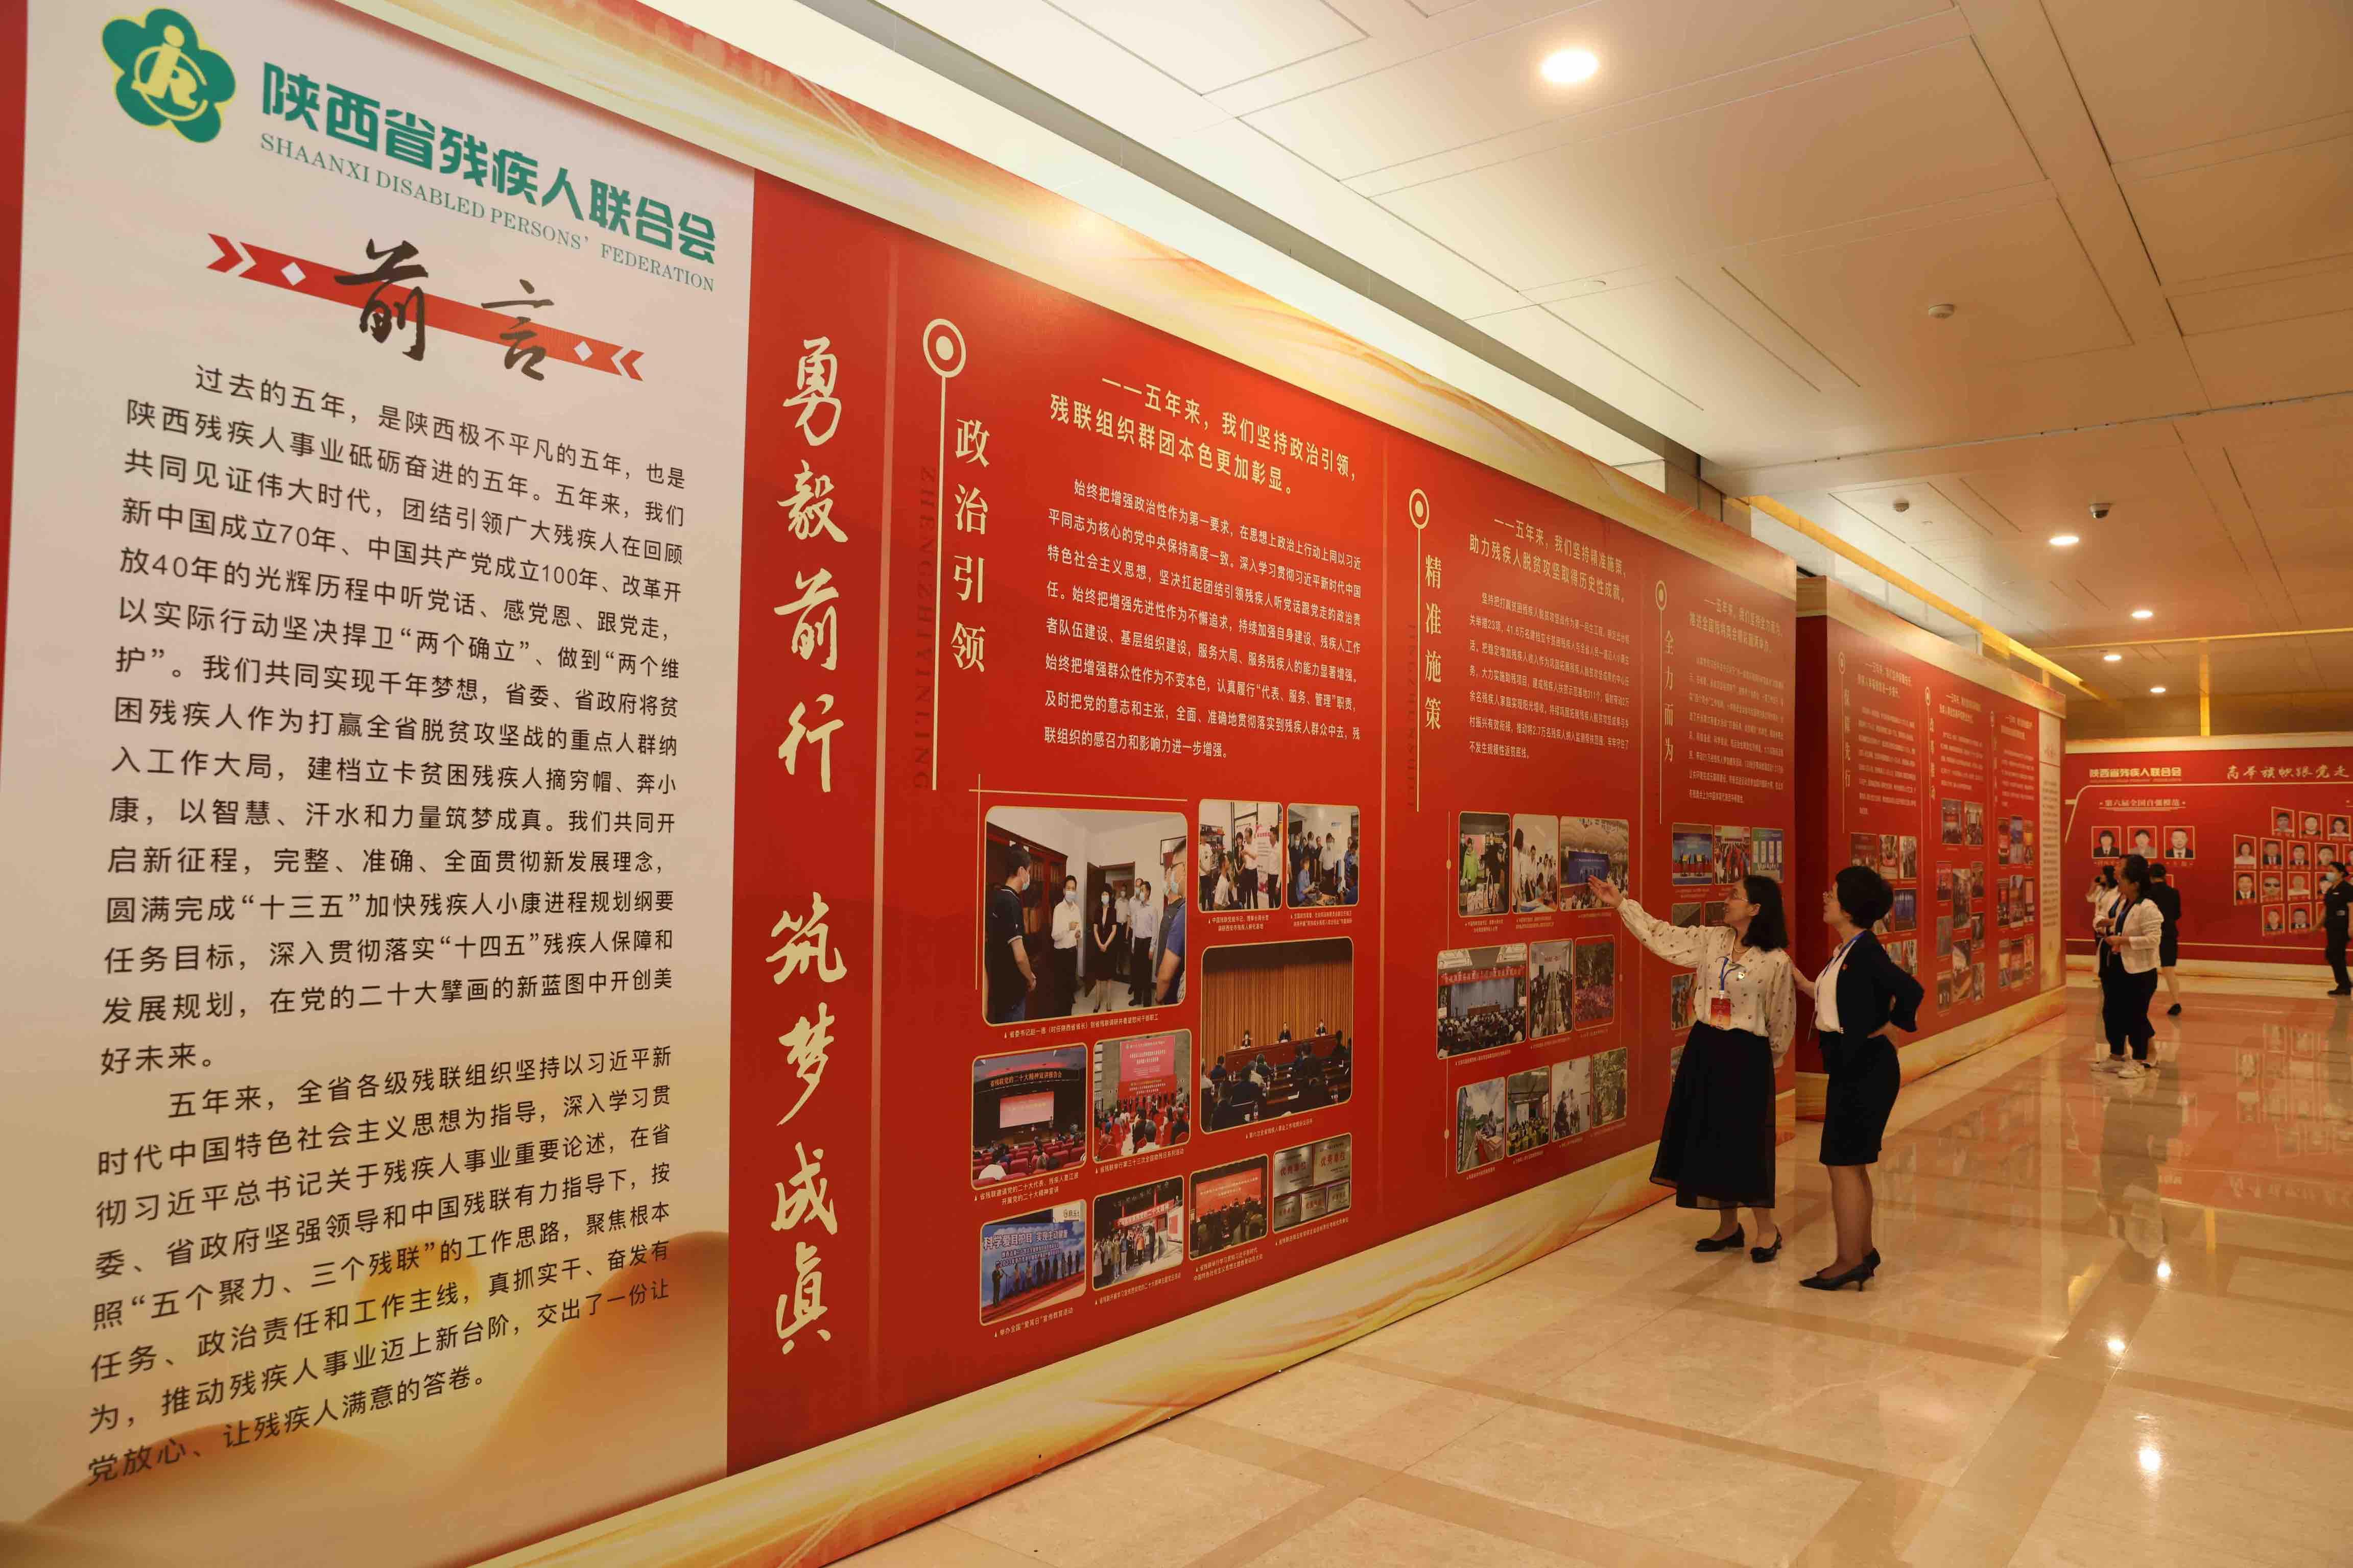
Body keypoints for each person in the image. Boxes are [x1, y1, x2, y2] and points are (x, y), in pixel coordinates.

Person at [1589, 872, 1793, 1261]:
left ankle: (1767, 1229)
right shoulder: (1712, 940)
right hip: (1707, 1046)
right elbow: (1661, 936)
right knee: (1710, 1135)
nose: (1726, 900)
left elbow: (1782, 1019)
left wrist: (1770, 1063)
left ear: (1755, 909)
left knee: (1747, 1143)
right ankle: (1728, 1226)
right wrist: (1621, 904)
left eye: (1735, 896)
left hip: (1748, 1055)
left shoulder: (1776, 961)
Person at [1792, 866, 1922, 1292]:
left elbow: (1911, 990)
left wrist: (1892, 1024)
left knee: (1842, 1163)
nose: (1825, 897)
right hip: (1853, 1066)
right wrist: (1799, 980)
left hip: (1865, 1069)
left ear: (1849, 907)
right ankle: (1862, 1252)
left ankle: (1848, 1260)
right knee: (1850, 1163)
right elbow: (1837, 1000)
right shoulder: (1848, 950)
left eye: (1832, 893)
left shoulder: (1864, 951)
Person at [2094, 854, 2164, 1078]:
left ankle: (2140, 1059)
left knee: (2135, 1016)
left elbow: (2154, 939)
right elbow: (2120, 923)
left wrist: (2124, 941)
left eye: (2122, 879)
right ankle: (2116, 1056)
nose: (2119, 883)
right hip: (2118, 968)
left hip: (2140, 972)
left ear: (2135, 884)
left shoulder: (2148, 907)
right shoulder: (2125, 904)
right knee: (2112, 1012)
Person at [986, 846, 1038, 1023]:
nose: (1029, 877)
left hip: (998, 987)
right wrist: (1031, 978)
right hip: (1012, 993)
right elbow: (1020, 957)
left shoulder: (997, 896)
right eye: (1029, 872)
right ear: (1022, 871)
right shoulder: (1011, 901)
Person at [2146, 861, 2183, 1017]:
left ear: (2150, 876)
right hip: (2169, 933)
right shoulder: (2174, 892)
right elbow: (2177, 914)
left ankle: (2142, 1003)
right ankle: (2176, 1002)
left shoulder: (2147, 893)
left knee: (2147, 969)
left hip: (2150, 934)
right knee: (2169, 970)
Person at [1049, 875, 1083, 1016]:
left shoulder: (1077, 909)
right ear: (1064, 891)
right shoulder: (1058, 909)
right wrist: (1068, 928)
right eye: (1068, 888)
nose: (1071, 891)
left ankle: (1068, 1016)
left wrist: (1078, 934)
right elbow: (1055, 935)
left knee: (1070, 989)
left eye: (1073, 889)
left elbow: (1080, 932)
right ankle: (1060, 1018)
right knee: (1060, 991)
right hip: (1060, 955)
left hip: (1072, 952)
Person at [1129, 880, 1159, 1008]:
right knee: (1137, 972)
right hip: (1138, 941)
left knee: (1146, 973)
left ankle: (1147, 1002)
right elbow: (1135, 927)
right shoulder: (1138, 909)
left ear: (1148, 892)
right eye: (1140, 890)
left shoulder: (1153, 909)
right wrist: (1133, 944)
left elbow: (1155, 930)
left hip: (1147, 943)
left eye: (1142, 890)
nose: (1140, 892)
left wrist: (1152, 948)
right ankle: (1137, 998)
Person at [1090, 887, 1122, 1008]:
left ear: (1110, 896)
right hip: (1098, 946)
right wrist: (1100, 944)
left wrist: (1106, 945)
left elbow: (1114, 930)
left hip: (1109, 947)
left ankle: (1108, 1003)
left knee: (1109, 976)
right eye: (1103, 894)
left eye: (1106, 894)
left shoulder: (1113, 911)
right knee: (1098, 977)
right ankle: (1097, 1002)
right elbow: (1095, 929)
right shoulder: (1097, 910)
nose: (1105, 896)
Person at [2323, 860, 2350, 996]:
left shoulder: (2347, 888)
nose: (2329, 874)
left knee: (2336, 954)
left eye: (2332, 871)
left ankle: (2344, 985)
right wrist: (2317, 926)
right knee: (2332, 954)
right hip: (2332, 927)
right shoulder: (2331, 890)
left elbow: (2352, 908)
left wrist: (2352, 926)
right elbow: (2326, 910)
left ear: (2341, 873)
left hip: (2342, 927)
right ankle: (2345, 982)